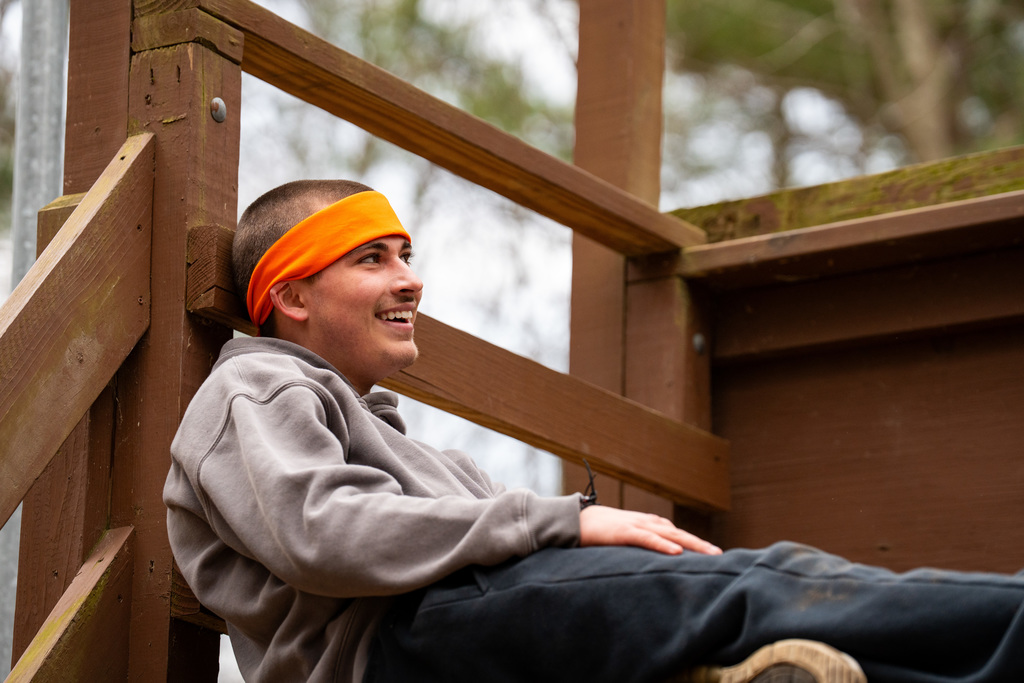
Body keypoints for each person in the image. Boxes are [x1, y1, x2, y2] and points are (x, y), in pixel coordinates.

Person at [164, 179, 1024, 683]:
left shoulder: (413, 447)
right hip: (398, 644)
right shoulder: (256, 388)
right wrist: (563, 521)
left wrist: (553, 532)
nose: (410, 279)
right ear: (291, 295)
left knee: (759, 601)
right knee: (740, 590)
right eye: (372, 258)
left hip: (455, 623)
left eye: (406, 254)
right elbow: (323, 533)